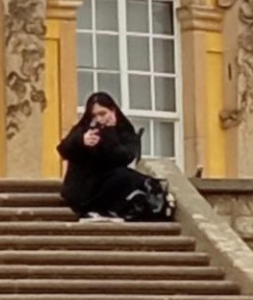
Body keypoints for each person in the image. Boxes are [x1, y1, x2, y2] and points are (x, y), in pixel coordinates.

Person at [57, 91, 173, 222]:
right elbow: (63, 150)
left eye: (103, 114)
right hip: (83, 188)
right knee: (125, 177)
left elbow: (125, 157)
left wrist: (109, 133)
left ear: (113, 111)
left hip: (108, 182)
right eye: (94, 115)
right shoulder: (84, 129)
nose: (99, 119)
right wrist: (81, 141)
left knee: (131, 177)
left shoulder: (123, 130)